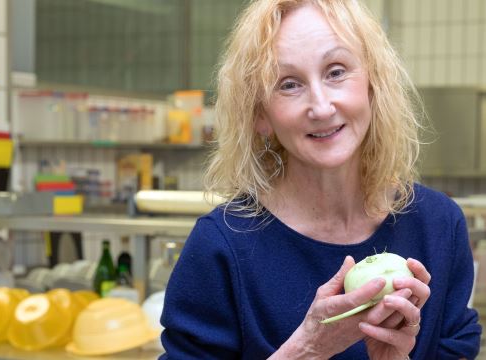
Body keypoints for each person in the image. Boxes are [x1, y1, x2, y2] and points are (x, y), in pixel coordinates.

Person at [159, 0, 482, 359]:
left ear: (373, 84)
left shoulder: (439, 227)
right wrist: (307, 349)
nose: (321, 107)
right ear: (260, 116)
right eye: (289, 84)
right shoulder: (221, 246)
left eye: (336, 71)